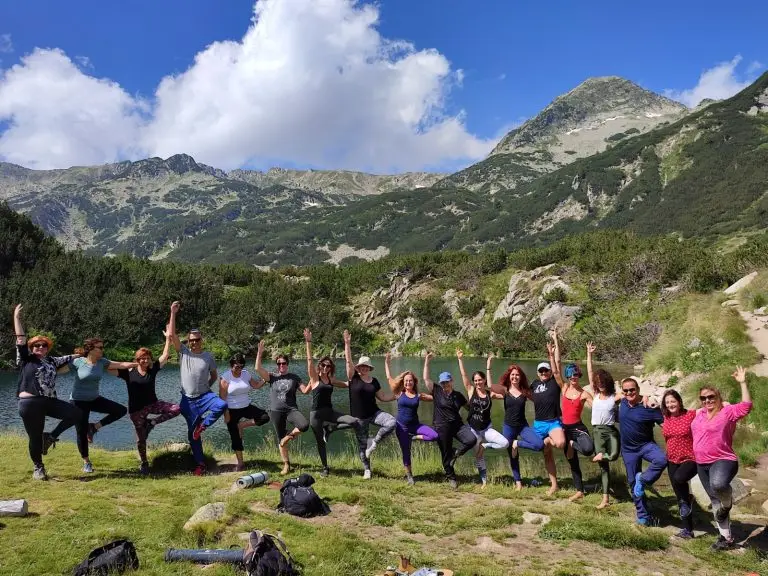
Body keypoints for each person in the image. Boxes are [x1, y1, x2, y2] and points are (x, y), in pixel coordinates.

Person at [13, 304, 82, 480]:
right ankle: (38, 467)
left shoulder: (52, 360)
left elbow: (69, 357)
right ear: (32, 347)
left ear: (47, 347)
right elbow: (20, 339)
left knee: (76, 414)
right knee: (34, 437)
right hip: (30, 403)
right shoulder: (26, 358)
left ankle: (50, 437)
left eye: (44, 345)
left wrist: (84, 352)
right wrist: (17, 318)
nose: (40, 347)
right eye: (37, 345)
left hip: (49, 401)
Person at [48, 337, 136, 474]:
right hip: (78, 401)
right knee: (81, 433)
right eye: (99, 347)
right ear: (90, 349)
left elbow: (121, 365)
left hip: (94, 399)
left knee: (120, 410)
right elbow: (58, 371)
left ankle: (94, 427)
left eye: (102, 347)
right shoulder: (78, 362)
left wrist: (139, 364)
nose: (102, 349)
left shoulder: (102, 362)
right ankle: (86, 462)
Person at [691, 367, 752, 551]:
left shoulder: (727, 411)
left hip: (723, 459)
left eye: (711, 397)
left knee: (718, 486)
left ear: (717, 397)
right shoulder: (699, 414)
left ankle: (728, 503)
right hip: (701, 463)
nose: (707, 400)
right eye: (703, 398)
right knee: (714, 500)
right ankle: (725, 539)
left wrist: (742, 382)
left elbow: (746, 406)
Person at [168, 301, 226, 476]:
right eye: (191, 340)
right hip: (188, 400)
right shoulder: (184, 352)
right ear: (188, 341)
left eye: (197, 340)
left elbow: (214, 376)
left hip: (205, 396)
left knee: (221, 405)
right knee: (192, 434)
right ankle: (200, 464)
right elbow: (172, 334)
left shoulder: (208, 356)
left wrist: (207, 387)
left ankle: (203, 426)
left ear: (202, 340)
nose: (194, 343)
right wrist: (173, 313)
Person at [115, 328, 181, 475]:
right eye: (142, 358)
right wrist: (124, 364)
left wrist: (168, 339)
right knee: (141, 439)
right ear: (137, 359)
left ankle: (151, 423)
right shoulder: (128, 373)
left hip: (153, 405)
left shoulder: (152, 369)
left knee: (176, 409)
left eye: (147, 358)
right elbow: (108, 368)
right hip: (136, 411)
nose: (145, 360)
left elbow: (165, 355)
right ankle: (144, 463)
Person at [304, 328, 360, 477]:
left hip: (329, 412)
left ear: (330, 368)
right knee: (320, 443)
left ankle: (330, 429)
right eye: (323, 365)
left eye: (328, 366)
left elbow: (348, 384)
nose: (325, 368)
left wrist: (359, 381)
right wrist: (308, 342)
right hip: (315, 415)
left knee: (353, 421)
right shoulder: (314, 378)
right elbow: (309, 361)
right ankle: (325, 467)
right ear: (319, 366)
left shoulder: (331, 380)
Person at [343, 330, 396, 479]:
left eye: (367, 366)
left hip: (374, 413)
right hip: (359, 418)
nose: (364, 368)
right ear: (358, 368)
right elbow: (348, 361)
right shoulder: (353, 378)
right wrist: (347, 344)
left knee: (392, 422)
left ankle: (374, 442)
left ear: (370, 368)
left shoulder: (374, 381)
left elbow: (383, 397)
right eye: (362, 366)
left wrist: (397, 396)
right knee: (362, 446)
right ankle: (367, 469)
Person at [254, 340, 310, 475]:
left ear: (287, 364)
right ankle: (286, 464)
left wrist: (314, 381)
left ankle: (288, 436)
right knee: (280, 439)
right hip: (276, 411)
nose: (281, 365)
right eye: (279, 363)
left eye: (283, 363)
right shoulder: (272, 377)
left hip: (291, 410)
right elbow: (257, 369)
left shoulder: (294, 377)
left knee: (304, 425)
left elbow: (305, 391)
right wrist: (260, 353)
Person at [550, 331, 594, 502]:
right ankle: (579, 490)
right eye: (571, 375)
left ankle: (571, 444)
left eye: (576, 375)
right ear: (568, 377)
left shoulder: (584, 394)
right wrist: (555, 343)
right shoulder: (564, 388)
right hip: (565, 428)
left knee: (589, 449)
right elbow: (555, 369)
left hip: (578, 428)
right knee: (572, 462)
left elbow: (596, 407)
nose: (574, 377)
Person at [423, 352, 477, 489]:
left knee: (471, 439)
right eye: (443, 382)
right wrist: (427, 362)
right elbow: (426, 378)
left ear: (452, 381)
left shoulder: (458, 395)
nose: (445, 384)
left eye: (447, 381)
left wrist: (479, 404)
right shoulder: (436, 391)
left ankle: (456, 453)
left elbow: (469, 408)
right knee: (445, 453)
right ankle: (451, 477)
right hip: (441, 426)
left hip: (457, 425)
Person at [618, 376, 667, 525]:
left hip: (646, 445)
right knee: (633, 483)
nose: (629, 393)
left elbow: (666, 426)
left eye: (632, 390)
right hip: (628, 450)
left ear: (638, 390)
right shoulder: (622, 402)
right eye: (626, 391)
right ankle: (643, 516)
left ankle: (644, 479)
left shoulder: (649, 407)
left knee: (662, 459)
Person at [456, 349, 508, 486]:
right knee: (478, 456)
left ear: (484, 380)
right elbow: (464, 375)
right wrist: (460, 359)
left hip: (486, 429)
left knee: (505, 443)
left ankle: (486, 445)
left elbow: (506, 396)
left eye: (480, 380)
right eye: (476, 380)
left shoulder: (491, 394)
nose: (478, 382)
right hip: (473, 430)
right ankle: (484, 481)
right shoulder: (471, 390)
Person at [385, 353, 438, 484]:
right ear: (403, 382)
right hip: (401, 427)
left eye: (411, 380)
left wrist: (446, 395)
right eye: (406, 381)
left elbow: (435, 398)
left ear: (414, 382)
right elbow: (388, 377)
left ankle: (414, 437)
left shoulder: (418, 395)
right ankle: (409, 476)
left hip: (416, 426)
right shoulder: (398, 393)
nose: (408, 382)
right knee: (406, 451)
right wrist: (387, 362)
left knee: (434, 435)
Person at [494, 363, 544, 491]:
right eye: (513, 375)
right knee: (513, 456)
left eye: (517, 375)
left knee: (539, 445)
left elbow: (540, 400)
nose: (515, 377)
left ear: (520, 377)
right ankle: (518, 482)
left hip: (523, 426)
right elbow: (491, 389)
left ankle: (517, 443)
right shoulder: (504, 391)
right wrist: (488, 368)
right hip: (508, 427)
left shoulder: (525, 392)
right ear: (509, 376)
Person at [528, 334, 567, 495]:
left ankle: (546, 440)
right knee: (546, 455)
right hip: (538, 423)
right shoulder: (534, 384)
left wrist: (553, 348)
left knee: (559, 443)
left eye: (546, 370)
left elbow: (557, 365)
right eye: (541, 371)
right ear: (538, 373)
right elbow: (526, 394)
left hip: (553, 422)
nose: (544, 372)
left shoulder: (554, 383)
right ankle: (554, 485)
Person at [220, 352, 269, 472]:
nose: (239, 369)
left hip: (246, 406)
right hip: (231, 409)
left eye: (241, 366)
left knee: (264, 417)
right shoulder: (225, 377)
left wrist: (266, 379)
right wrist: (225, 413)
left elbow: (256, 385)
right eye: (237, 366)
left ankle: (241, 425)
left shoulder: (246, 374)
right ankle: (241, 463)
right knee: (235, 437)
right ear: (231, 365)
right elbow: (222, 398)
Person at [587, 342, 621, 509]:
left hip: (611, 431)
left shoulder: (614, 397)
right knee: (604, 468)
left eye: (603, 381)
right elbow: (590, 371)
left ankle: (601, 455)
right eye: (597, 381)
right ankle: (605, 499)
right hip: (598, 432)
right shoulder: (594, 394)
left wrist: (645, 398)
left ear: (607, 382)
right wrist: (589, 354)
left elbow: (633, 394)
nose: (600, 383)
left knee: (614, 455)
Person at [660, 389, 697, 539]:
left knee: (679, 478)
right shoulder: (665, 417)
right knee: (680, 498)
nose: (670, 404)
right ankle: (688, 531)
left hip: (690, 458)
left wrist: (724, 405)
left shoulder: (690, 415)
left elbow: (708, 411)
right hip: (672, 459)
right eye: (667, 402)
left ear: (679, 402)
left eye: (673, 401)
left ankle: (689, 499)